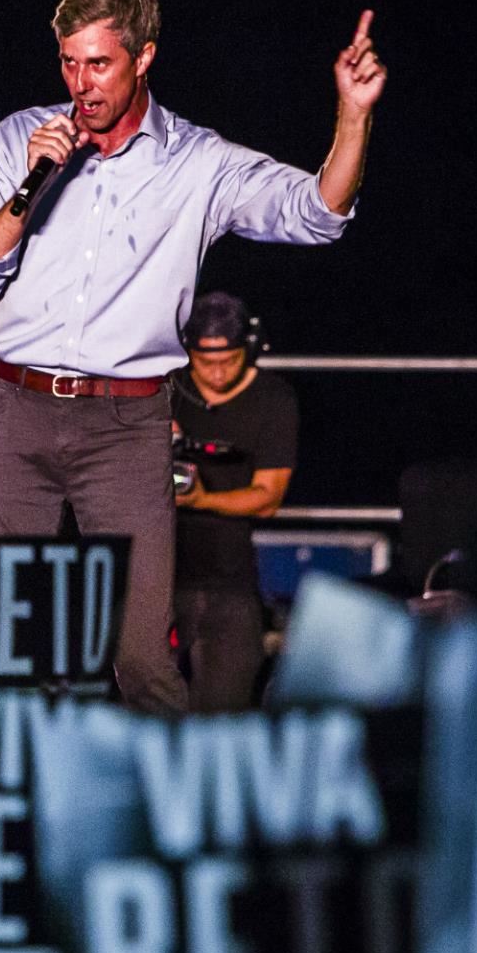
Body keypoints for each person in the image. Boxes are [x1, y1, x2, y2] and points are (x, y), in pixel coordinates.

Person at [0, 0, 386, 715]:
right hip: (14, 410)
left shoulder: (198, 163)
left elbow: (317, 213)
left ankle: (164, 822)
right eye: (68, 62)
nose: (81, 84)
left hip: (126, 426)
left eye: (99, 63)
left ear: (143, 57)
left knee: (141, 655)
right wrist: (31, 185)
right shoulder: (23, 137)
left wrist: (352, 116)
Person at [171, 292, 296, 712]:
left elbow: (268, 498)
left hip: (231, 577)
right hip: (159, 572)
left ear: (251, 349)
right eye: (206, 361)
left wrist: (203, 498)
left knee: (224, 713)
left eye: (230, 358)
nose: (219, 371)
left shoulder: (273, 399)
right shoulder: (163, 391)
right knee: (144, 704)